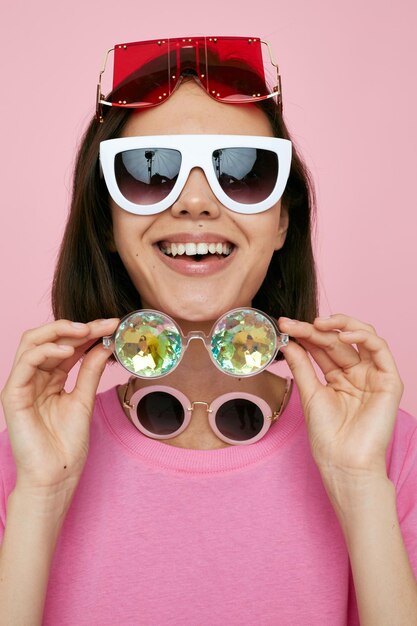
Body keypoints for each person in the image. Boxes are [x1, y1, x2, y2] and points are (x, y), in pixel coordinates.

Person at [0, 35, 416, 625]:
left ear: (281, 222)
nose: (196, 202)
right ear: (109, 220)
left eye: (242, 171)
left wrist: (359, 487)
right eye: (150, 172)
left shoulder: (386, 451)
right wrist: (40, 497)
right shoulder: (23, 461)